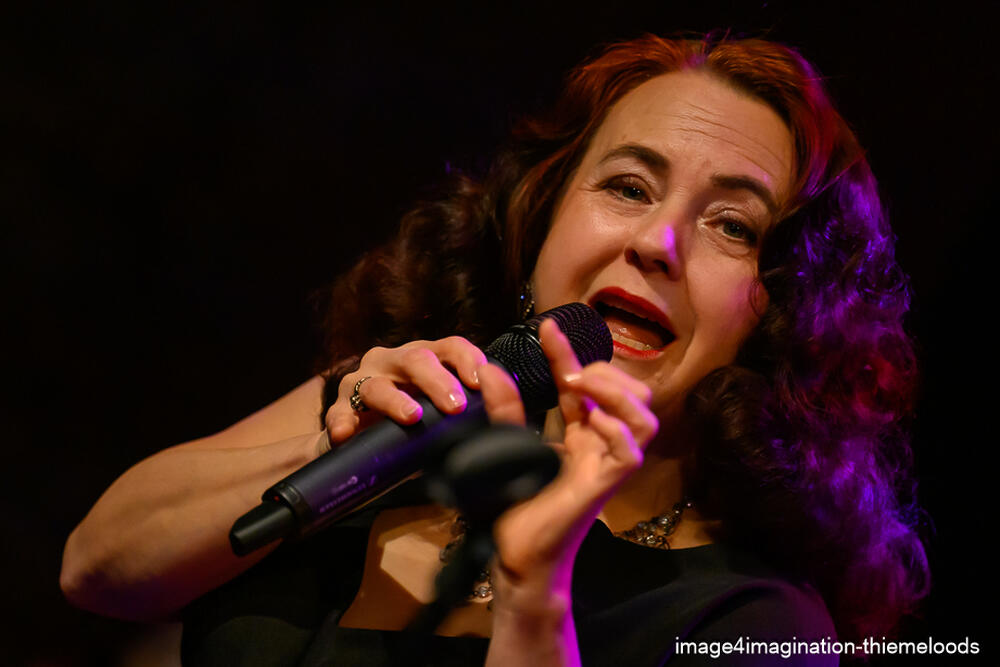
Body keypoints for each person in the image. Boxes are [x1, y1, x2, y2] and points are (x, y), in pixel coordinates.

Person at [60, 33, 929, 665]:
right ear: (540, 220)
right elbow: (96, 567)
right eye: (629, 186)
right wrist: (341, 443)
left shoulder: (762, 624)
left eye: (731, 225)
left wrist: (533, 592)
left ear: (777, 317)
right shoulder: (395, 395)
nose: (658, 241)